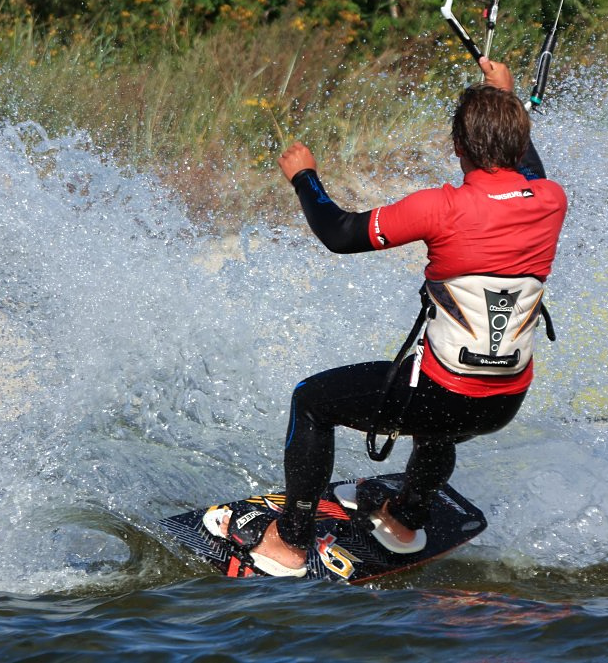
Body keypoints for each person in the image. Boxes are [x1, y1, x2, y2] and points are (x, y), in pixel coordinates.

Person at [204, 57, 567, 577]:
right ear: (520, 136)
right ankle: (404, 520)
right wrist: (504, 96)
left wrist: (305, 177)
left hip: (444, 396)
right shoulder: (551, 199)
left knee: (312, 402)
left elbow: (340, 233)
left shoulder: (441, 207)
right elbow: (527, 172)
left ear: (457, 148)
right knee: (439, 412)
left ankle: (288, 542)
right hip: (502, 403)